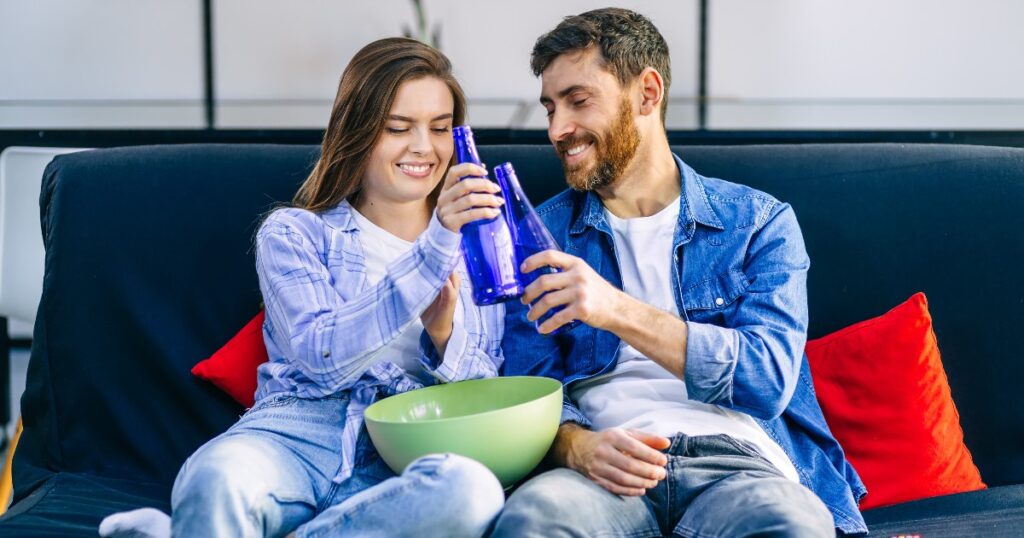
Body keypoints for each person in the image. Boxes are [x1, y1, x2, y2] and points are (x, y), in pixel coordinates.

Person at [98, 37, 506, 538]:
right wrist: (433, 248)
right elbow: (320, 355)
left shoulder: (481, 241)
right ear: (358, 132)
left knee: (472, 491)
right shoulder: (295, 233)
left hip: (404, 448)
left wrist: (444, 338)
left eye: (440, 128)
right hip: (297, 433)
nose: (424, 147)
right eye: (399, 127)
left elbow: (489, 393)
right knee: (216, 480)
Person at [493, 8, 867, 537]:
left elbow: (766, 380)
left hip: (738, 465)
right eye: (550, 108)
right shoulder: (537, 236)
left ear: (648, 93)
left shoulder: (758, 224)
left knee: (794, 524)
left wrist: (615, 308)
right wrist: (576, 446)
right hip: (601, 471)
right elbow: (527, 387)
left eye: (578, 101)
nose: (558, 129)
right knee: (534, 520)